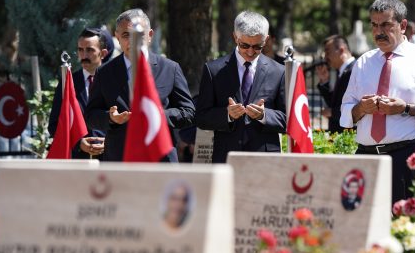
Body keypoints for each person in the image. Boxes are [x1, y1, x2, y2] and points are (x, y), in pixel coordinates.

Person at [340, 0, 415, 204]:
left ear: (402, 25)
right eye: (374, 25)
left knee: (409, 229)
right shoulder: (364, 62)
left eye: (385, 24)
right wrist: (361, 108)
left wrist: (407, 108)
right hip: (366, 157)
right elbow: (346, 109)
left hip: (407, 158)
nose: (379, 32)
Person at [86, 9, 195, 162]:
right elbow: (91, 116)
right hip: (120, 159)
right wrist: (110, 118)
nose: (132, 41)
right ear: (117, 37)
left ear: (149, 35)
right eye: (126, 35)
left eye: (139, 35)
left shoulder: (170, 68)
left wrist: (157, 115)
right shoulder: (104, 73)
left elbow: (188, 112)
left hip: (160, 157)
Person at [196, 11, 287, 164]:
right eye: (244, 45)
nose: (250, 52)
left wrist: (264, 116)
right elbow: (201, 117)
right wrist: (227, 115)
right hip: (226, 157)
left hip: (265, 159)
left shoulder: (278, 71)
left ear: (266, 40)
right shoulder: (214, 70)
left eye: (258, 46)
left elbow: (288, 119)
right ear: (235, 37)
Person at [48, 27, 108, 158]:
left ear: (103, 53)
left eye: (90, 50)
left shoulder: (114, 82)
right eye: (80, 50)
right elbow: (54, 125)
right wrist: (79, 143)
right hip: (79, 160)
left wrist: (109, 142)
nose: (84, 55)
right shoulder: (68, 83)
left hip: (108, 160)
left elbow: (125, 122)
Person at [315, 35, 355, 133]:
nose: (325, 57)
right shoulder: (342, 71)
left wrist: (332, 112)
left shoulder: (355, 70)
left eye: (328, 52)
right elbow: (335, 103)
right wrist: (324, 81)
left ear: (341, 50)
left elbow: (357, 105)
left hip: (349, 136)